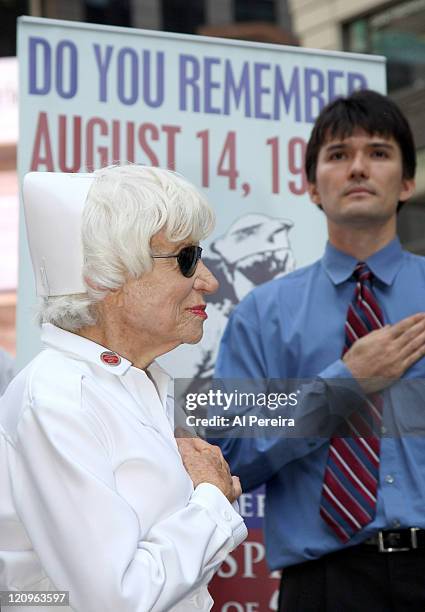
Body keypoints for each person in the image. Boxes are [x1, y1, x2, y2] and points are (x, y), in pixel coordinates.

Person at [0, 165, 247, 612]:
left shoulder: (135, 384)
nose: (209, 281)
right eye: (186, 258)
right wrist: (211, 501)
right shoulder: (59, 397)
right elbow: (117, 598)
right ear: (103, 277)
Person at [214, 90, 425, 611]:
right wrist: (343, 385)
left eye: (378, 152)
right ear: (310, 188)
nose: (357, 168)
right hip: (325, 584)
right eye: (338, 155)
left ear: (407, 182)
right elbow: (229, 458)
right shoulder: (260, 315)